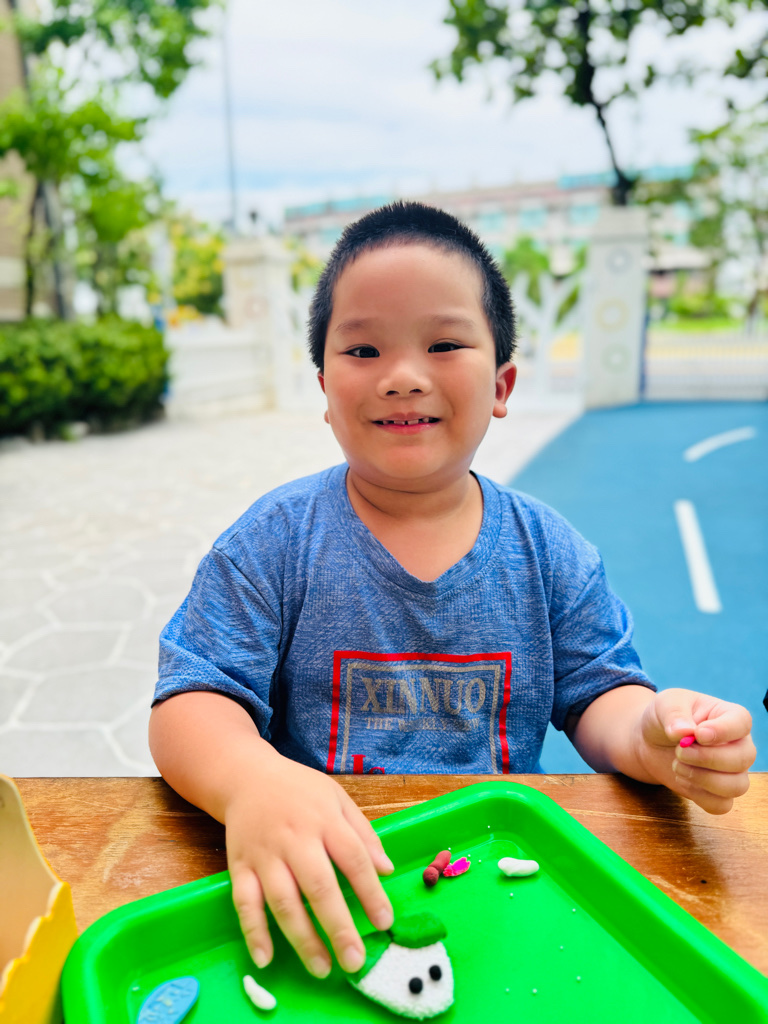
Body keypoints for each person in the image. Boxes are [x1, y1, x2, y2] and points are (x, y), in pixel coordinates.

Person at [149, 200, 755, 984]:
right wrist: (251, 781)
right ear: (325, 389)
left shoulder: (550, 552)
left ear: (501, 383)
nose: (403, 377)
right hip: (326, 881)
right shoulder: (274, 543)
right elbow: (190, 699)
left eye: (442, 344)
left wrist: (650, 736)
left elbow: (599, 693)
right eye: (363, 349)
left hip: (500, 884)